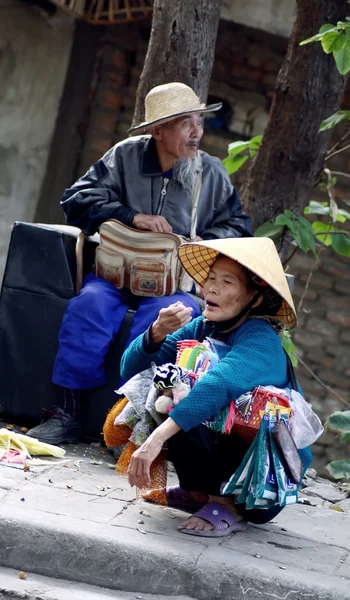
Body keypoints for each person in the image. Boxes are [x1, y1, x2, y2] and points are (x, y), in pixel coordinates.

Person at [27, 82, 251, 446]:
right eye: (185, 123)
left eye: (199, 121)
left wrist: (206, 242)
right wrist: (131, 216)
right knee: (88, 306)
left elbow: (238, 226)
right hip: (115, 277)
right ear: (158, 130)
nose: (197, 132)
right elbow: (78, 199)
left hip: (172, 285)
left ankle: (130, 426)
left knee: (167, 319)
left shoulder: (210, 174)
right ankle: (66, 414)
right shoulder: (125, 157)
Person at [121, 237, 313, 538]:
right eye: (210, 279)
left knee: (197, 396)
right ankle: (198, 493)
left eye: (227, 282)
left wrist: (155, 440)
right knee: (162, 387)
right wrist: (156, 332)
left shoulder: (260, 339)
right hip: (226, 458)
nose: (212, 288)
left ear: (255, 297)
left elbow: (219, 385)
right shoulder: (204, 326)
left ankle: (229, 505)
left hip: (265, 483)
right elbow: (131, 370)